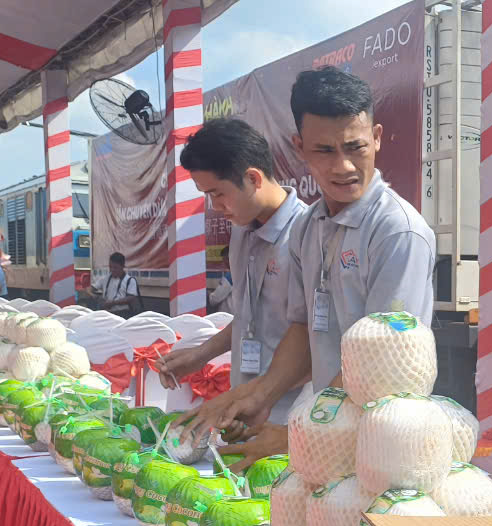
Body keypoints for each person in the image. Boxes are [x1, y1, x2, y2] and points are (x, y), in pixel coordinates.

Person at [178, 66, 437, 462]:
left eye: (355, 147)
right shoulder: (311, 226)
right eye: (324, 151)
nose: (343, 167)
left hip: (379, 446)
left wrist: (294, 435)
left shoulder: (397, 232)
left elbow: (383, 366)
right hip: (326, 432)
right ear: (299, 148)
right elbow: (303, 328)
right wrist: (262, 395)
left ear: (377, 139)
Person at [153, 118, 310, 462]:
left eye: (217, 194)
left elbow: (317, 339)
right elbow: (248, 315)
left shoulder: (307, 236)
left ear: (253, 178)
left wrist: (260, 396)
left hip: (290, 417)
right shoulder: (241, 232)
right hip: (243, 405)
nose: (214, 207)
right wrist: (199, 355)